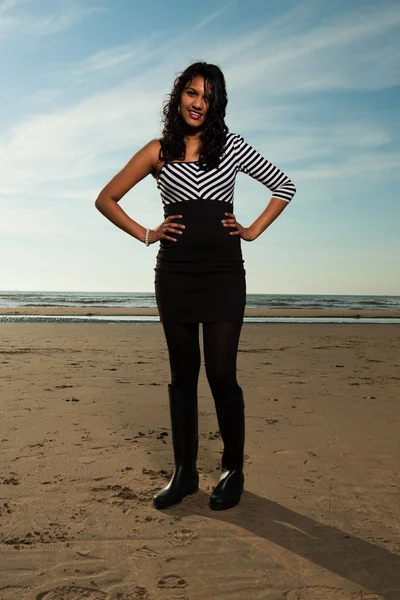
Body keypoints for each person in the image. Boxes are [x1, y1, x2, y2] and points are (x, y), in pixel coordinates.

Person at [95, 61, 296, 511]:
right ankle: (184, 472)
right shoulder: (157, 152)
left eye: (207, 97)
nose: (198, 103)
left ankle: (232, 469)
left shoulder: (230, 147)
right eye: (192, 93)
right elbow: (105, 198)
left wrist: (252, 230)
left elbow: (283, 185)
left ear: (216, 104)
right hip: (175, 277)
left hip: (225, 275)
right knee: (183, 374)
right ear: (178, 95)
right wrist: (147, 233)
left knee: (222, 373)